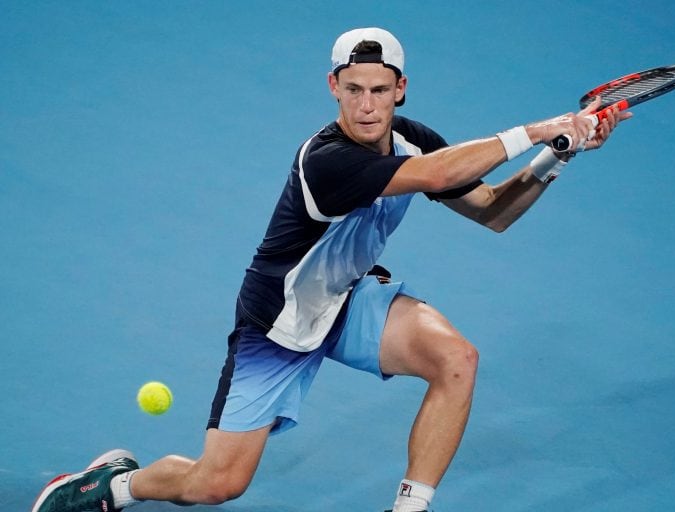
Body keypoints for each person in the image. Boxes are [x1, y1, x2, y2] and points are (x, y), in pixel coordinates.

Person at [32, 27, 630, 512]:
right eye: (353, 89)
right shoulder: (327, 161)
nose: (366, 105)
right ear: (333, 87)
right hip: (279, 323)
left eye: (378, 89)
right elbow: (438, 177)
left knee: (457, 359)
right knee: (215, 485)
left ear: (400, 89)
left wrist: (559, 155)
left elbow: (493, 212)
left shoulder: (414, 139)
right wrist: (541, 128)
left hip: (348, 301)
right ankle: (112, 486)